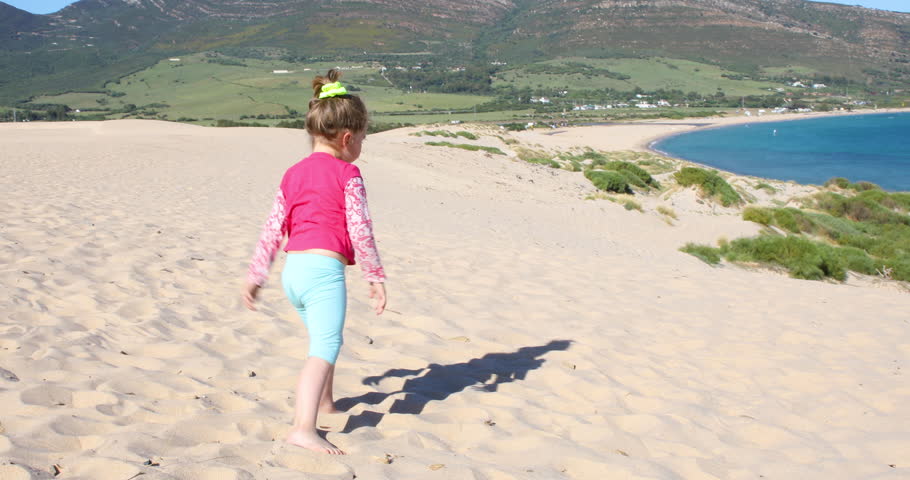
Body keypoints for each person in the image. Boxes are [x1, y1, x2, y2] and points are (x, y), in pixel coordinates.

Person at [242, 69, 387, 455]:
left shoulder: (292, 174)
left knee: (323, 339)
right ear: (347, 138)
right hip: (324, 273)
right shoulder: (348, 173)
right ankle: (303, 427)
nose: (362, 146)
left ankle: (325, 403)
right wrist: (374, 275)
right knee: (324, 346)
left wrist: (257, 274)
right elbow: (361, 228)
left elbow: (274, 228)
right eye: (362, 138)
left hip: (294, 273)